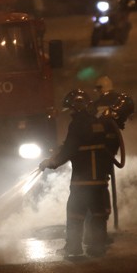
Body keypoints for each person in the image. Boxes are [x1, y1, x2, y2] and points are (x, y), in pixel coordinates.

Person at [38, 89, 121, 258]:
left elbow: (70, 149)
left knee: (75, 214)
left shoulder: (76, 124)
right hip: (100, 181)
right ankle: (97, 248)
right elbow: (105, 146)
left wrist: (50, 162)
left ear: (75, 108)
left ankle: (73, 248)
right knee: (98, 214)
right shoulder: (97, 123)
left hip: (82, 181)